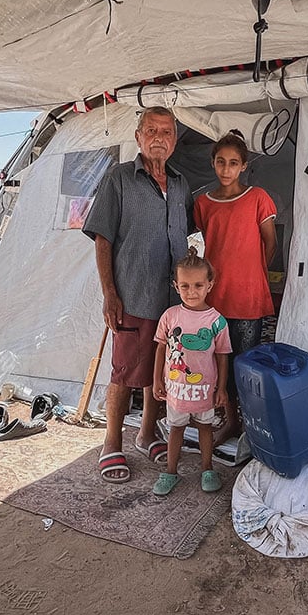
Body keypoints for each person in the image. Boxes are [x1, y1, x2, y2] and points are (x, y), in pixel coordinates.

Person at [82, 107, 193, 483]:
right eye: (151, 130)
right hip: (132, 294)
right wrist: (109, 294)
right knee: (125, 371)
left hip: (172, 301)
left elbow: (185, 236)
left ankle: (147, 433)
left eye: (166, 131)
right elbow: (102, 239)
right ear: (138, 136)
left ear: (174, 140)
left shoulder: (181, 185)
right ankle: (112, 443)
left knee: (160, 371)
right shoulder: (119, 179)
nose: (158, 137)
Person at [192, 131, 277, 445]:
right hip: (215, 297)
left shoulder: (258, 198)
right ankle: (231, 421)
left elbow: (270, 242)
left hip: (248, 297)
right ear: (213, 164)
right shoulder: (203, 203)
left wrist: (252, 274)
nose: (226, 169)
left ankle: (254, 425)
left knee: (247, 364)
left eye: (233, 163)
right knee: (219, 364)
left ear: (243, 166)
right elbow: (204, 244)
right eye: (220, 162)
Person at [151, 249, 232, 495]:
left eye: (198, 285)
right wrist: (156, 380)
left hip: (204, 389)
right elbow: (161, 349)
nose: (191, 291)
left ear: (210, 284)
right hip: (176, 389)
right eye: (185, 286)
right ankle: (171, 472)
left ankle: (207, 468)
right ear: (176, 286)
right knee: (175, 428)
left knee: (205, 427)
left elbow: (222, 356)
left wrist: (221, 388)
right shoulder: (170, 316)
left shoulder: (217, 321)